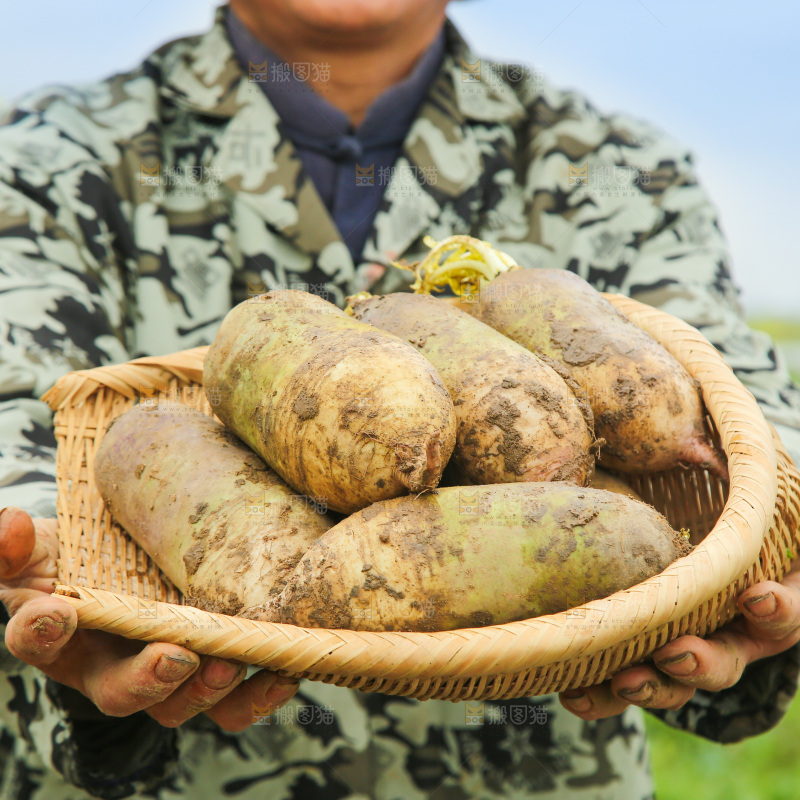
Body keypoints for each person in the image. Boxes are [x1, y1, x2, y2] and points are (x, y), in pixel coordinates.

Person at [1, 1, 799, 798]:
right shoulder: (46, 158)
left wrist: (764, 571)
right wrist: (58, 597)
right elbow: (19, 417)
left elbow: (750, 411)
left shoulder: (619, 169)